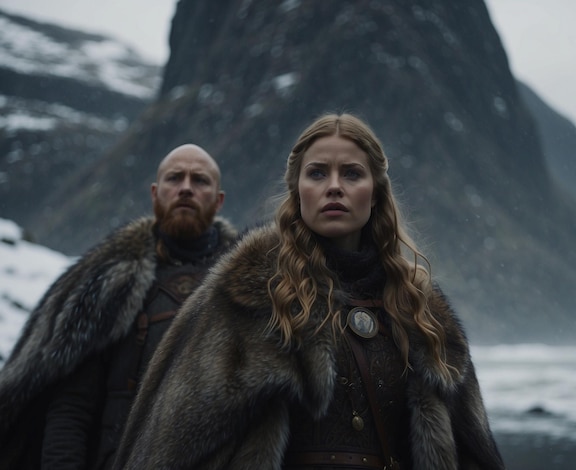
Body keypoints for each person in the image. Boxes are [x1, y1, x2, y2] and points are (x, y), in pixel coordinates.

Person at [114, 114, 505, 470]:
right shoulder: (248, 295)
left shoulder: (423, 311)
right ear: (297, 190)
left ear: (377, 191)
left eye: (352, 174)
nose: (334, 186)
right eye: (317, 173)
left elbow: (473, 453)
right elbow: (169, 445)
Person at [0, 143, 238, 469]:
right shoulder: (109, 286)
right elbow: (72, 408)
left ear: (219, 199)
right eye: (174, 178)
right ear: (155, 193)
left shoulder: (244, 289)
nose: (185, 188)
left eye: (200, 180)